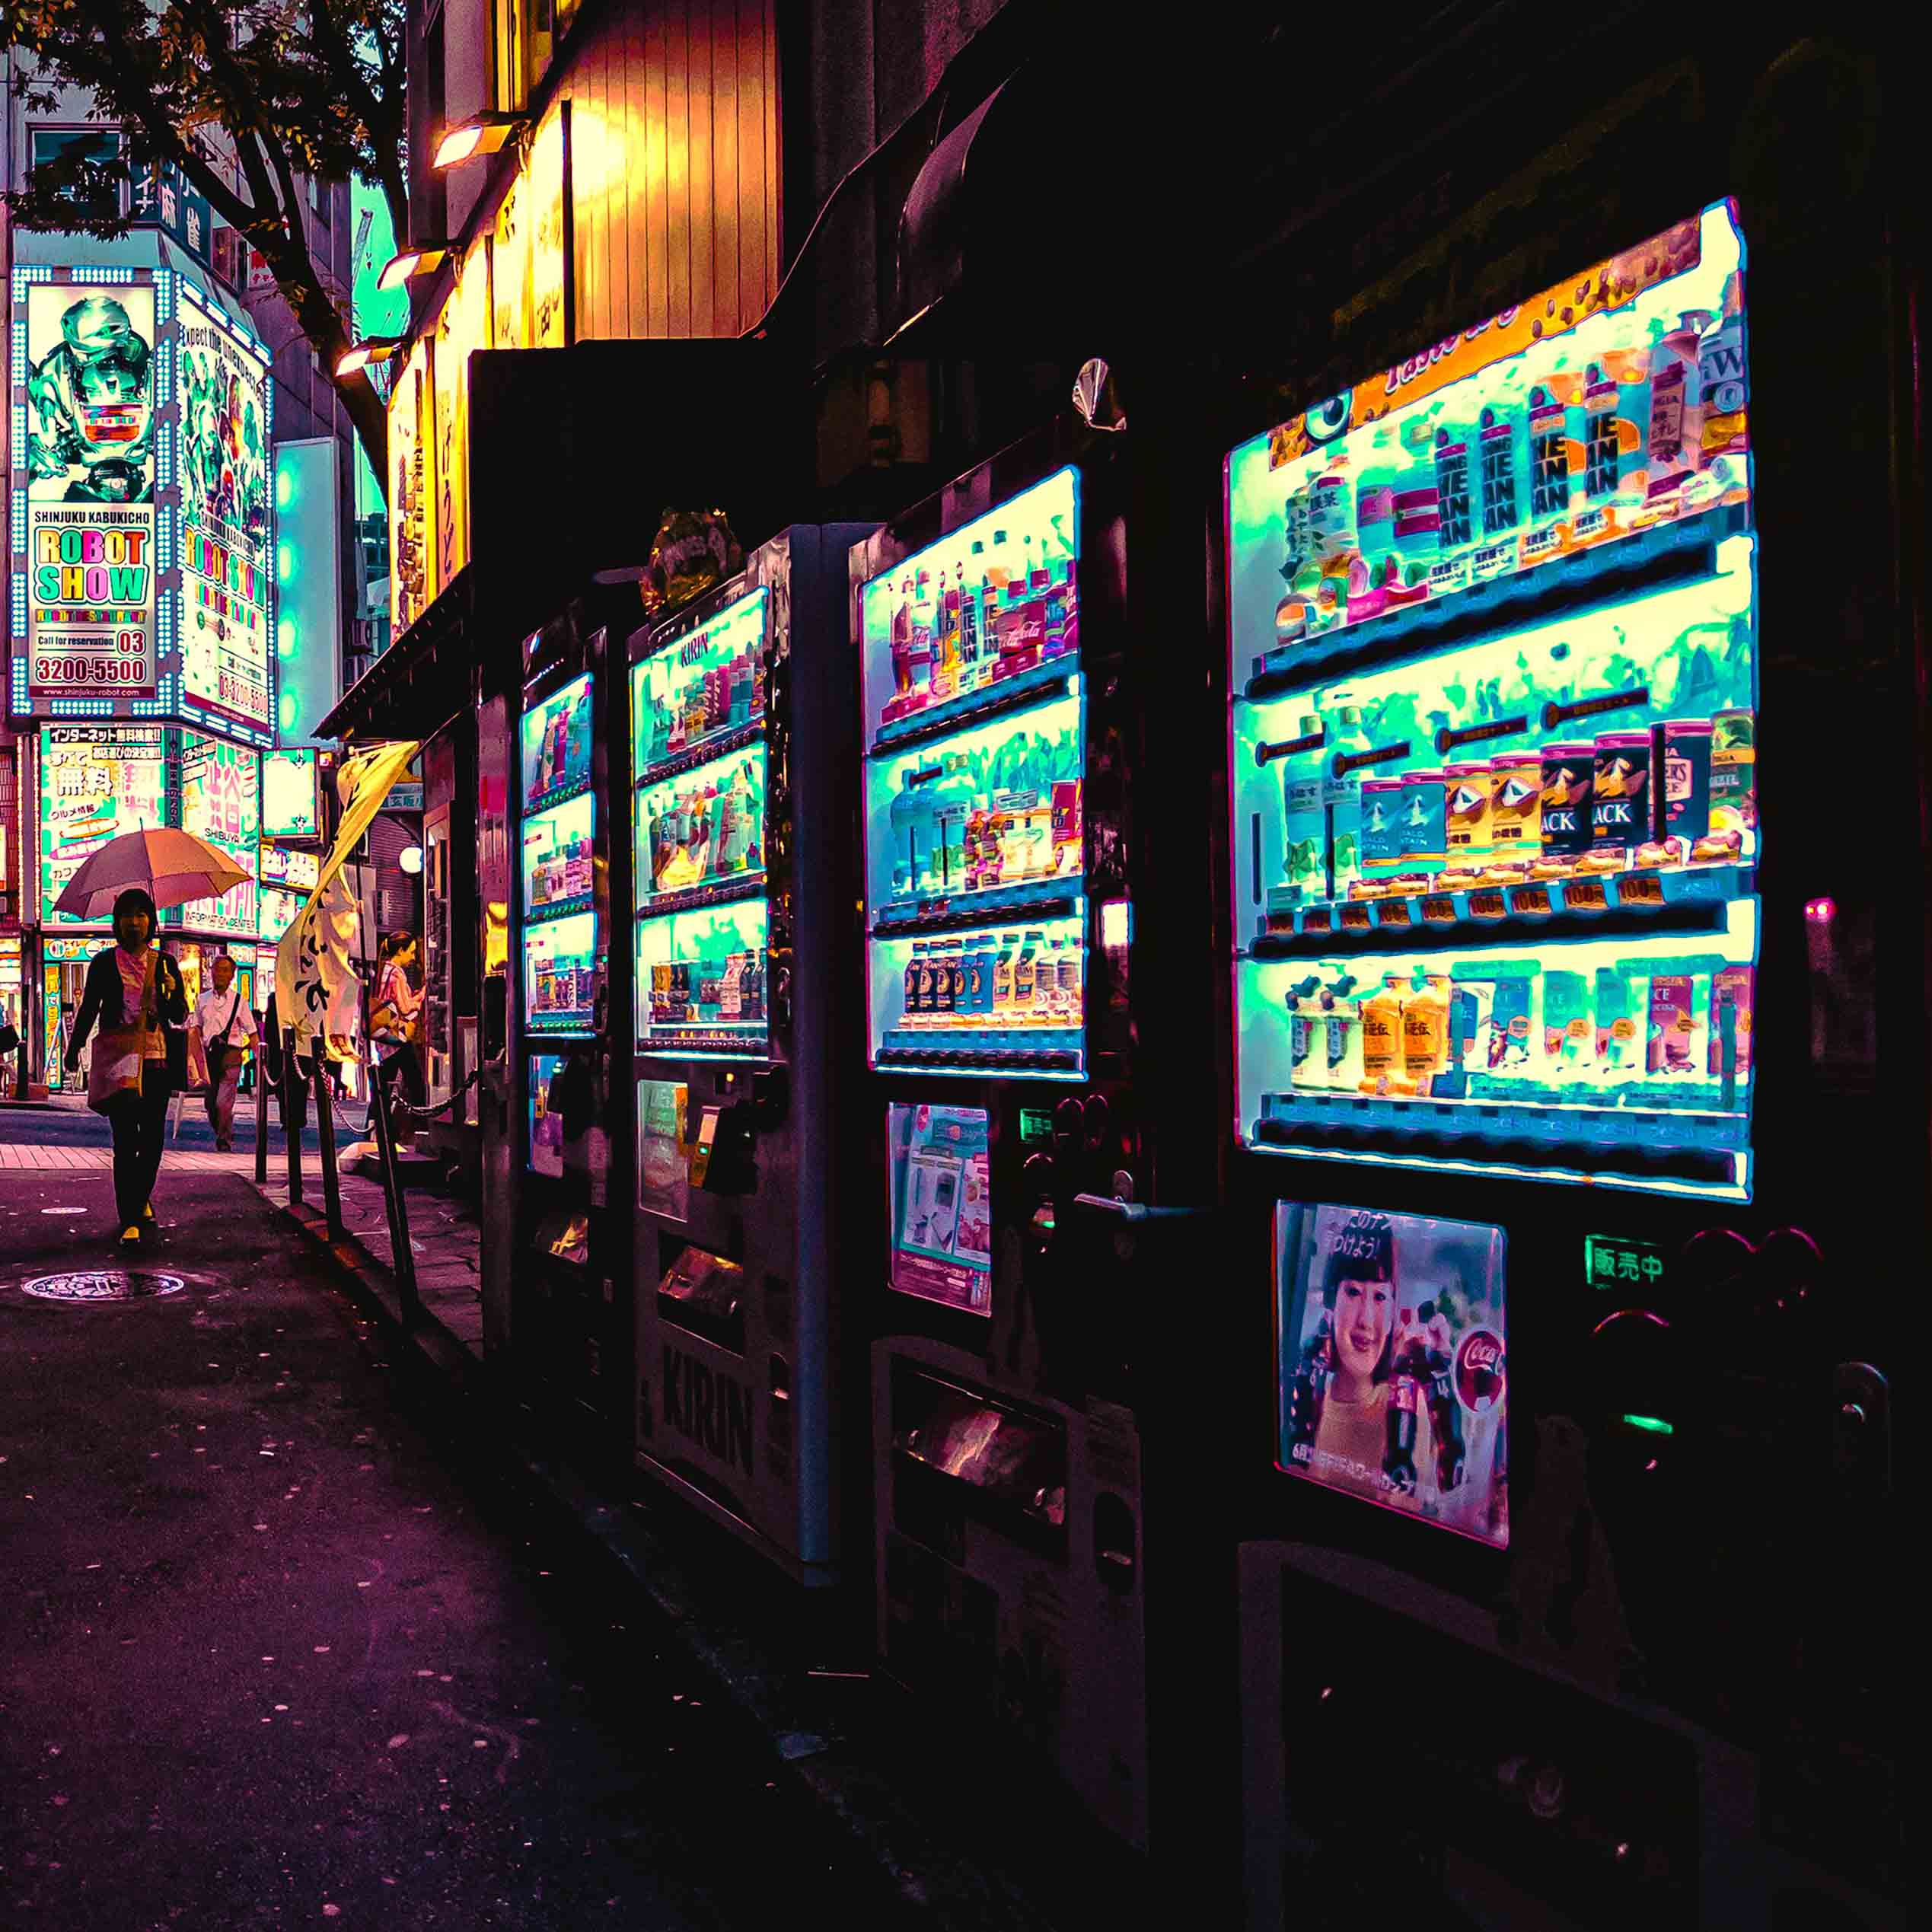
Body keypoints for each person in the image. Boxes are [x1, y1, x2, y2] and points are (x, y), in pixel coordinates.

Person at [62, 888, 187, 1244]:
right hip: (119, 1062)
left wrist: (171, 990)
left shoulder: (165, 963)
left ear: (151, 921)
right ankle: (130, 1215)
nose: (134, 922)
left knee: (151, 1141)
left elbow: (179, 1013)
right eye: (127, 915)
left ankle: (139, 1196)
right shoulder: (104, 963)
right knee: (124, 1140)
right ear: (117, 922)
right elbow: (89, 1009)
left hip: (156, 1061)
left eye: (141, 914)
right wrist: (74, 1051)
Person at [190, 952, 259, 1150]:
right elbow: (196, 1029)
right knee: (210, 1104)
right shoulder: (202, 1000)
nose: (220, 974)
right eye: (217, 969)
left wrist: (261, 1059)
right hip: (209, 1056)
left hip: (231, 1055)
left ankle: (223, 1140)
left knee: (223, 1102)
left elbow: (252, 1031)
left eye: (225, 970)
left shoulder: (240, 1001)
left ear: (232, 976)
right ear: (211, 973)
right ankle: (223, 1127)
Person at [366, 932, 426, 1149]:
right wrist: (421, 996)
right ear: (400, 951)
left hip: (383, 1036)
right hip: (397, 1037)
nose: (413, 957)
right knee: (416, 1083)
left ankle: (378, 1130)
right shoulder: (397, 974)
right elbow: (405, 1007)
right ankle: (422, 1130)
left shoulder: (382, 970)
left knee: (384, 1083)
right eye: (410, 952)